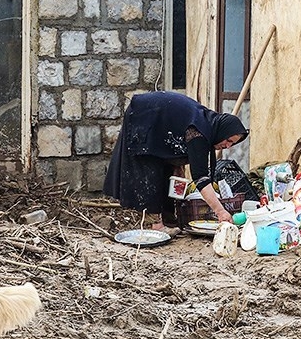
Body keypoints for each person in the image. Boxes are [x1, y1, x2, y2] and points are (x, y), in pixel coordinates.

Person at [103, 91, 249, 233]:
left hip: (159, 119)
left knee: (168, 171)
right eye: (228, 140)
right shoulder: (199, 132)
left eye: (232, 144)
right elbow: (201, 178)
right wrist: (221, 212)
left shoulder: (208, 126)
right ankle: (155, 225)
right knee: (150, 170)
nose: (228, 146)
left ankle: (169, 220)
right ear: (222, 131)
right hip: (146, 116)